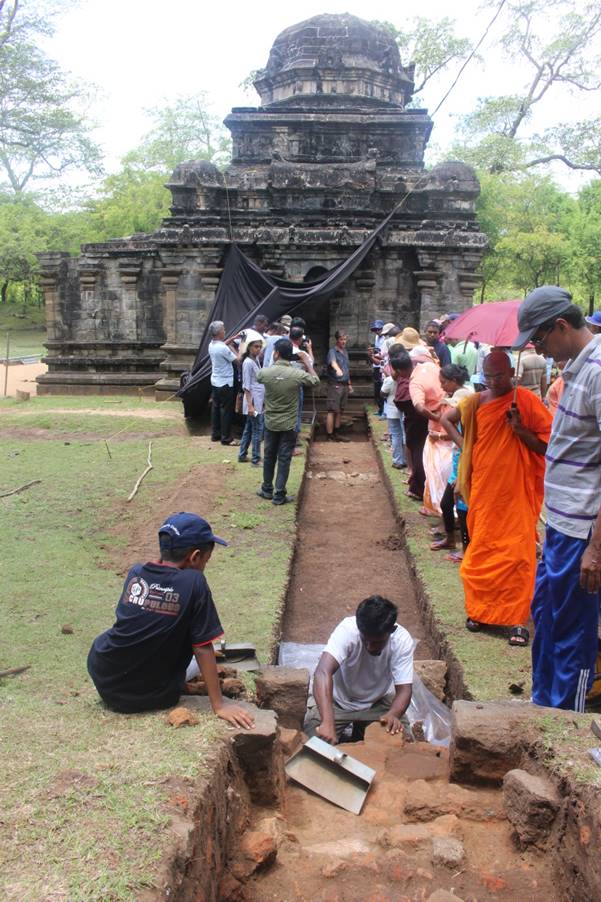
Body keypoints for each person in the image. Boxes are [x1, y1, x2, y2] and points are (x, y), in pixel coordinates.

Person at [514, 287, 601, 710]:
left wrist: (596, 549)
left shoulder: (600, 371)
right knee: (545, 619)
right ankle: (542, 706)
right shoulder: (576, 370)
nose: (539, 349)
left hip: (581, 531)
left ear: (561, 327)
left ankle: (565, 718)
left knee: (572, 632)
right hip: (558, 524)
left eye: (540, 340)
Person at [87, 512, 254, 728]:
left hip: (107, 681)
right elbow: (202, 647)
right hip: (154, 695)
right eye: (205, 560)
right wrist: (219, 705)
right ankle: (199, 681)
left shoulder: (137, 572)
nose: (204, 566)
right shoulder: (195, 581)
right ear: (194, 557)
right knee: (196, 646)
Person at [441, 351, 552, 646]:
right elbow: (446, 418)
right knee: (482, 552)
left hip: (515, 492)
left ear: (510, 373)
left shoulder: (525, 401)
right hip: (486, 490)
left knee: (517, 556)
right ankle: (479, 612)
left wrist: (519, 429)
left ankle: (516, 620)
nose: (493, 381)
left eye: (498, 376)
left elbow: (547, 445)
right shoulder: (477, 401)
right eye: (488, 376)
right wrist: (467, 446)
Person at [304, 595, 414, 743]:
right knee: (313, 745)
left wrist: (393, 715)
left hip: (377, 703)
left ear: (391, 631)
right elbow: (323, 672)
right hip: (338, 702)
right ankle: (354, 729)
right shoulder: (348, 630)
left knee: (404, 747)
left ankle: (361, 730)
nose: (370, 647)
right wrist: (327, 722)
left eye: (377, 642)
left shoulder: (401, 641)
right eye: (365, 639)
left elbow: (404, 689)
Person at [256, 338, 319, 505]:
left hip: (271, 422)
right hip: (289, 424)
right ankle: (279, 494)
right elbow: (315, 381)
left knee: (269, 455)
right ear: (291, 355)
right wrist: (307, 362)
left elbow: (258, 376)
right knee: (284, 458)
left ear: (276, 353)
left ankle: (267, 489)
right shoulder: (297, 374)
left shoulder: (266, 373)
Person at [431, 365, 473, 553]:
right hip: (458, 462)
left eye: (444, 382)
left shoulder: (469, 418)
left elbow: (469, 447)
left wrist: (463, 473)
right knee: (447, 504)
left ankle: (467, 552)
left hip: (465, 465)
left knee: (463, 509)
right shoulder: (463, 412)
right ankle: (450, 540)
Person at [410, 354, 450, 517]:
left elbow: (419, 407)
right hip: (445, 427)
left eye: (444, 383)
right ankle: (437, 505)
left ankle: (436, 507)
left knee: (435, 469)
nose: (441, 387)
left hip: (440, 430)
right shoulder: (434, 367)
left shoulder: (416, 382)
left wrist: (435, 417)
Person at [392, 351, 429, 501]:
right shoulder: (424, 369)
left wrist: (432, 415)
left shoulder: (412, 382)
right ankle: (420, 486)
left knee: (419, 454)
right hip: (425, 420)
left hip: (419, 421)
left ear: (400, 370)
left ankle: (419, 490)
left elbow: (403, 402)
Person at [208, 320, 240, 445]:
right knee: (226, 410)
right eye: (224, 329)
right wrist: (239, 349)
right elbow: (238, 360)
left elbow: (222, 346)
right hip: (226, 383)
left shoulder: (212, 345)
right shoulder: (223, 348)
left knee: (216, 408)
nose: (225, 331)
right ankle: (226, 437)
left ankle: (215, 434)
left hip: (215, 381)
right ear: (219, 332)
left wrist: (232, 338)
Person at [238, 332, 265, 466]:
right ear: (249, 347)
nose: (258, 349)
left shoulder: (255, 360)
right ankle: (255, 459)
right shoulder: (248, 363)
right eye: (256, 346)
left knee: (249, 429)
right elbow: (246, 386)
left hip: (257, 400)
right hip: (253, 401)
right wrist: (250, 406)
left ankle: (242, 454)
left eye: (260, 347)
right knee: (257, 431)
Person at [326, 330, 353, 442]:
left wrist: (349, 384)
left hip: (344, 384)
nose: (343, 341)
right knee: (332, 410)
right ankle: (329, 435)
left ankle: (337, 432)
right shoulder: (332, 351)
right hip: (335, 384)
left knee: (340, 410)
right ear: (337, 340)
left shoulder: (345, 352)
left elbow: (347, 369)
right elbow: (333, 362)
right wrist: (337, 370)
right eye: (341, 339)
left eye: (345, 339)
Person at [381, 359, 406, 469]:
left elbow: (382, 393)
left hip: (392, 410)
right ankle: (405, 459)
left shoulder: (389, 380)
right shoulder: (406, 379)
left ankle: (398, 460)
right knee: (404, 435)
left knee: (396, 435)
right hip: (404, 410)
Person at [367, 319, 385, 416]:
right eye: (375, 330)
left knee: (382, 389)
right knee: (377, 389)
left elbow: (382, 353)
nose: (377, 331)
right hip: (376, 365)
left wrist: (374, 354)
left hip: (381, 365)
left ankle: (383, 411)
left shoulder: (385, 339)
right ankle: (380, 409)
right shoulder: (376, 337)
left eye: (378, 329)